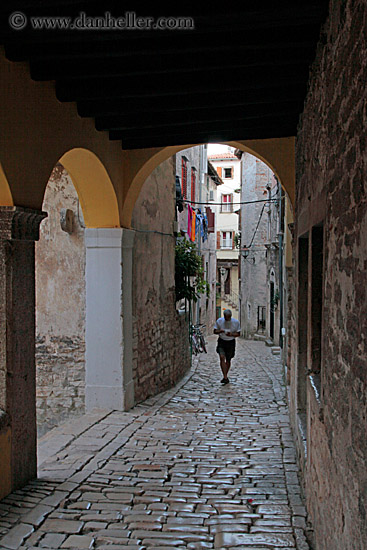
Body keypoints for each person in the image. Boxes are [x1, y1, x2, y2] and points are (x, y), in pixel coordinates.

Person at [214, 309, 241, 384]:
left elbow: (238, 334)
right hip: (222, 341)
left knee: (228, 359)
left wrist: (231, 334)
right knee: (222, 357)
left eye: (228, 317)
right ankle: (225, 376)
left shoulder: (235, 322)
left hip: (231, 342)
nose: (227, 319)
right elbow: (215, 331)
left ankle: (225, 376)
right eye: (226, 317)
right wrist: (220, 331)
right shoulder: (219, 321)